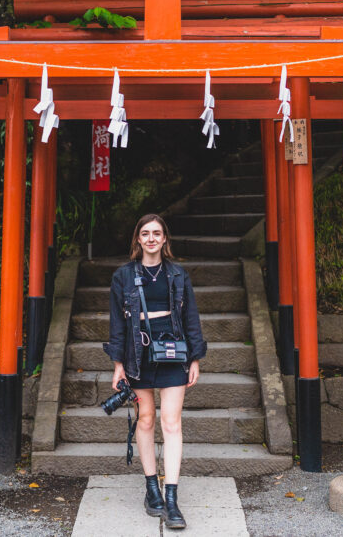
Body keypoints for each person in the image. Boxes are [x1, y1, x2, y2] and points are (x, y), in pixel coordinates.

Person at [103, 213, 207, 530]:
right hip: (137, 355)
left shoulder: (177, 274)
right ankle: (152, 488)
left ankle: (171, 497)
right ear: (138, 239)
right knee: (146, 418)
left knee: (171, 422)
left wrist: (195, 358)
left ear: (165, 240)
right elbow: (118, 324)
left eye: (156, 233)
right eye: (145, 233)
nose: (151, 238)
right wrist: (118, 364)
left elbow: (190, 316)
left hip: (173, 353)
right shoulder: (123, 277)